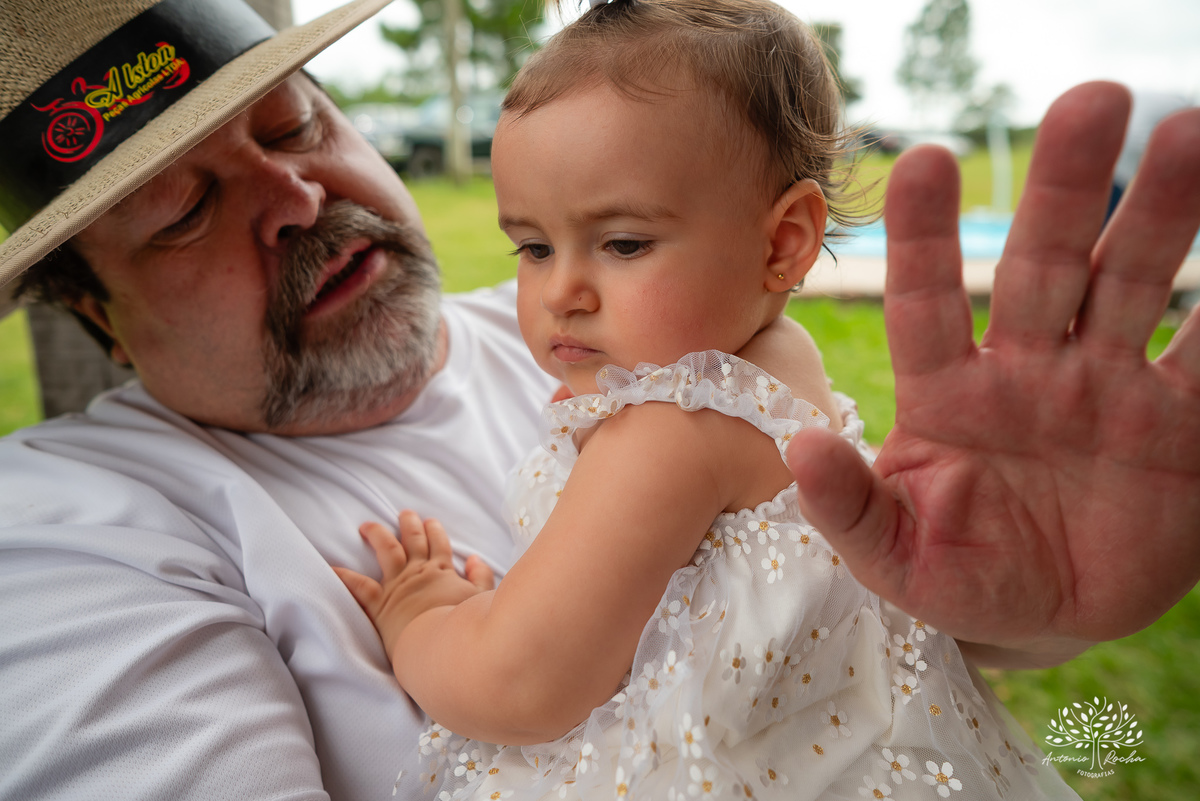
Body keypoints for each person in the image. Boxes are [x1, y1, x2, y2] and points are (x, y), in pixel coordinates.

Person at [0, 0, 1197, 798]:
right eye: (186, 213)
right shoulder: (67, 531)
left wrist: (1047, 616)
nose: (298, 195)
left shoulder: (640, 383)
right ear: (94, 312)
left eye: (294, 120)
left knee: (1117, 744)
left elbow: (872, 646)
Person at [330, 2, 1078, 798]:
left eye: (623, 243)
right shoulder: (782, 363)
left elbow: (518, 685)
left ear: (783, 242)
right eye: (535, 246)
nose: (562, 291)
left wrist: (424, 616)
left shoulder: (672, 428)